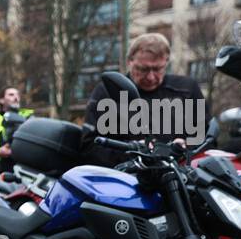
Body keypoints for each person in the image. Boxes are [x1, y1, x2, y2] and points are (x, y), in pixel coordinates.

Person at [84, 33, 205, 167]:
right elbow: (89, 147)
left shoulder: (187, 90)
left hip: (179, 179)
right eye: (143, 69)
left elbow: (206, 138)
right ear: (129, 61)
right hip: (127, 178)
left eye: (158, 69)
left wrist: (186, 148)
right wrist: (132, 153)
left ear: (166, 62)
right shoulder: (107, 92)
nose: (151, 77)